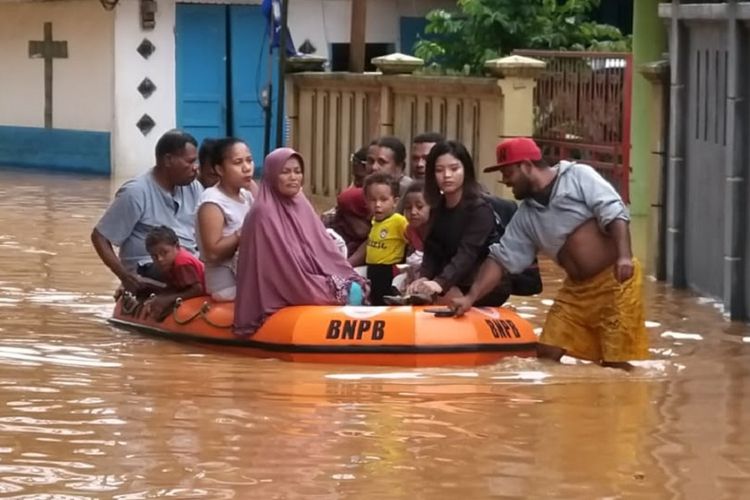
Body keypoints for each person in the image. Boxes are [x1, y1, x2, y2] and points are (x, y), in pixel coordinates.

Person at [451, 137, 649, 369]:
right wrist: (470, 298)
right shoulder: (525, 216)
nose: (504, 181)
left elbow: (614, 212)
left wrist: (624, 256)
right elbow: (501, 259)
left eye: (508, 173)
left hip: (617, 282)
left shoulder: (578, 176)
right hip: (576, 292)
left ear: (526, 166)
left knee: (617, 362)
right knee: (546, 354)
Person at [234, 147, 368, 335]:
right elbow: (279, 267)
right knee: (346, 292)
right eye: (285, 172)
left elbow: (322, 248)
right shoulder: (262, 213)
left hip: (308, 274)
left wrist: (335, 273)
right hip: (286, 282)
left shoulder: (300, 203)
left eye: (297, 172)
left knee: (354, 284)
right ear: (272, 175)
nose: (293, 177)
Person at [91, 129, 202, 294]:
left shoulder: (194, 188)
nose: (195, 168)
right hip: (151, 267)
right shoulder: (136, 192)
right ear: (168, 160)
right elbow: (100, 237)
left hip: (189, 262)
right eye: (190, 162)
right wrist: (124, 276)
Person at [406, 141, 511, 306]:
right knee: (413, 290)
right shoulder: (437, 208)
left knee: (434, 299)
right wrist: (424, 278)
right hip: (452, 279)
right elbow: (432, 250)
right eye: (439, 170)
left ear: (465, 170)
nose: (447, 175)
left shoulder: (479, 210)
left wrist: (440, 283)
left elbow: (467, 253)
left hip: (481, 283)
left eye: (454, 169)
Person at [196, 137, 256, 302]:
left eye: (249, 161)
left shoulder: (246, 195)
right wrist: (242, 233)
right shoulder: (212, 202)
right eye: (238, 162)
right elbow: (213, 253)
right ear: (220, 169)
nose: (246, 168)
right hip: (227, 286)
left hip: (248, 278)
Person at [364, 172, 409, 305]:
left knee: (385, 304)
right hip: (372, 270)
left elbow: (413, 238)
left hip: (388, 271)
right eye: (373, 199)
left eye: (383, 200)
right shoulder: (375, 221)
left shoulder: (398, 221)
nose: (377, 204)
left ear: (395, 202)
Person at [143, 225, 206, 320]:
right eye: (154, 256)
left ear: (176, 247)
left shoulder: (182, 263)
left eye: (164, 252)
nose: (160, 259)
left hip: (206, 294)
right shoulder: (171, 262)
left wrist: (167, 300)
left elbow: (198, 290)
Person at [401, 180, 430, 288]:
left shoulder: (438, 230)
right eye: (408, 208)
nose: (413, 212)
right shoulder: (409, 230)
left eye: (420, 207)